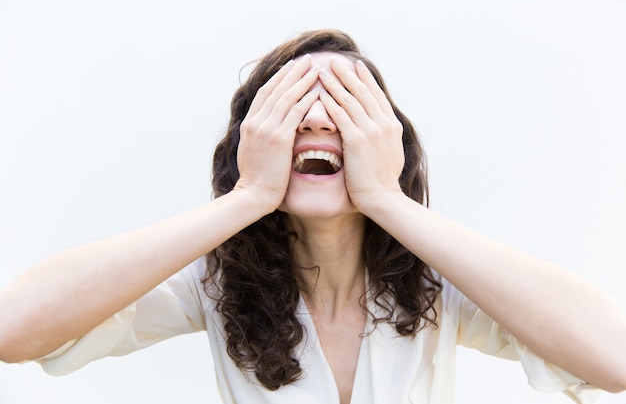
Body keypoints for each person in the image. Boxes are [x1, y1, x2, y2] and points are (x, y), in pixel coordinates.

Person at [0, 29, 624, 404]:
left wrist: (385, 197)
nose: (321, 121)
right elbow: (17, 328)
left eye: (347, 108)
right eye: (292, 107)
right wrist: (246, 197)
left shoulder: (439, 286)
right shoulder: (215, 287)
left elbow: (613, 357)